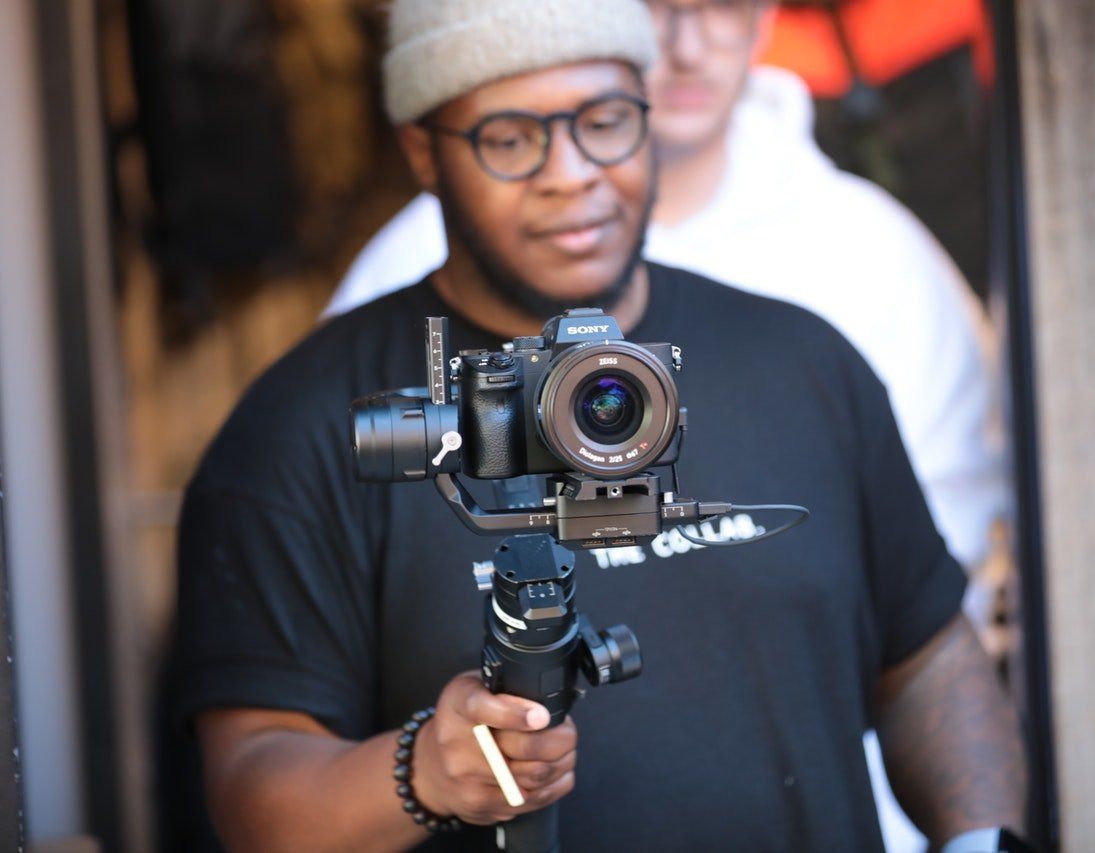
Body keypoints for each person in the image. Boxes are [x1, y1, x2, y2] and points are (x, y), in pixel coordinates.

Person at [174, 0, 1027, 850]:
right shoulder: (313, 425)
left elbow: (927, 656)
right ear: (423, 151)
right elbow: (253, 791)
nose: (572, 172)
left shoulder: (804, 360)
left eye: (606, 121)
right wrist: (424, 773)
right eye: (511, 139)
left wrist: (980, 838)